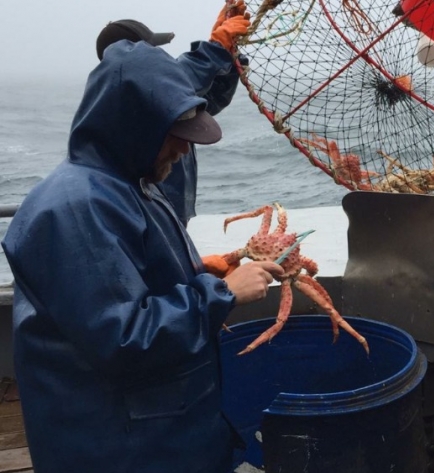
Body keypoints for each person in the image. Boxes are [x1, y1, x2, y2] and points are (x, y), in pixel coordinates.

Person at [1, 41, 284, 473]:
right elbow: (120, 338)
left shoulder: (129, 183)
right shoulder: (75, 209)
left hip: (164, 434)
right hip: (118, 448)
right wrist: (222, 293)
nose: (186, 151)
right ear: (134, 127)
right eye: (176, 137)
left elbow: (122, 288)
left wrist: (197, 272)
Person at [95, 2, 249, 226]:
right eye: (151, 49)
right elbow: (175, 83)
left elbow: (208, 102)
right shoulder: (128, 96)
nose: (160, 54)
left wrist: (229, 57)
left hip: (172, 209)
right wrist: (215, 49)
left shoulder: (158, 94)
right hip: (149, 210)